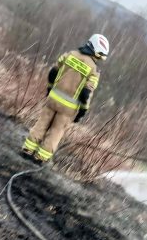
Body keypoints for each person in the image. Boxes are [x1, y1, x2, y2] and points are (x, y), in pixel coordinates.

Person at [21, 33, 110, 164]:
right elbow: (86, 93)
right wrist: (82, 111)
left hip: (53, 99)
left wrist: (50, 89)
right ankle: (40, 158)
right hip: (68, 108)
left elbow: (53, 73)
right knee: (56, 132)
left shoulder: (69, 55)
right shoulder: (93, 71)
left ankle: (27, 149)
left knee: (41, 124)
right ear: (97, 53)